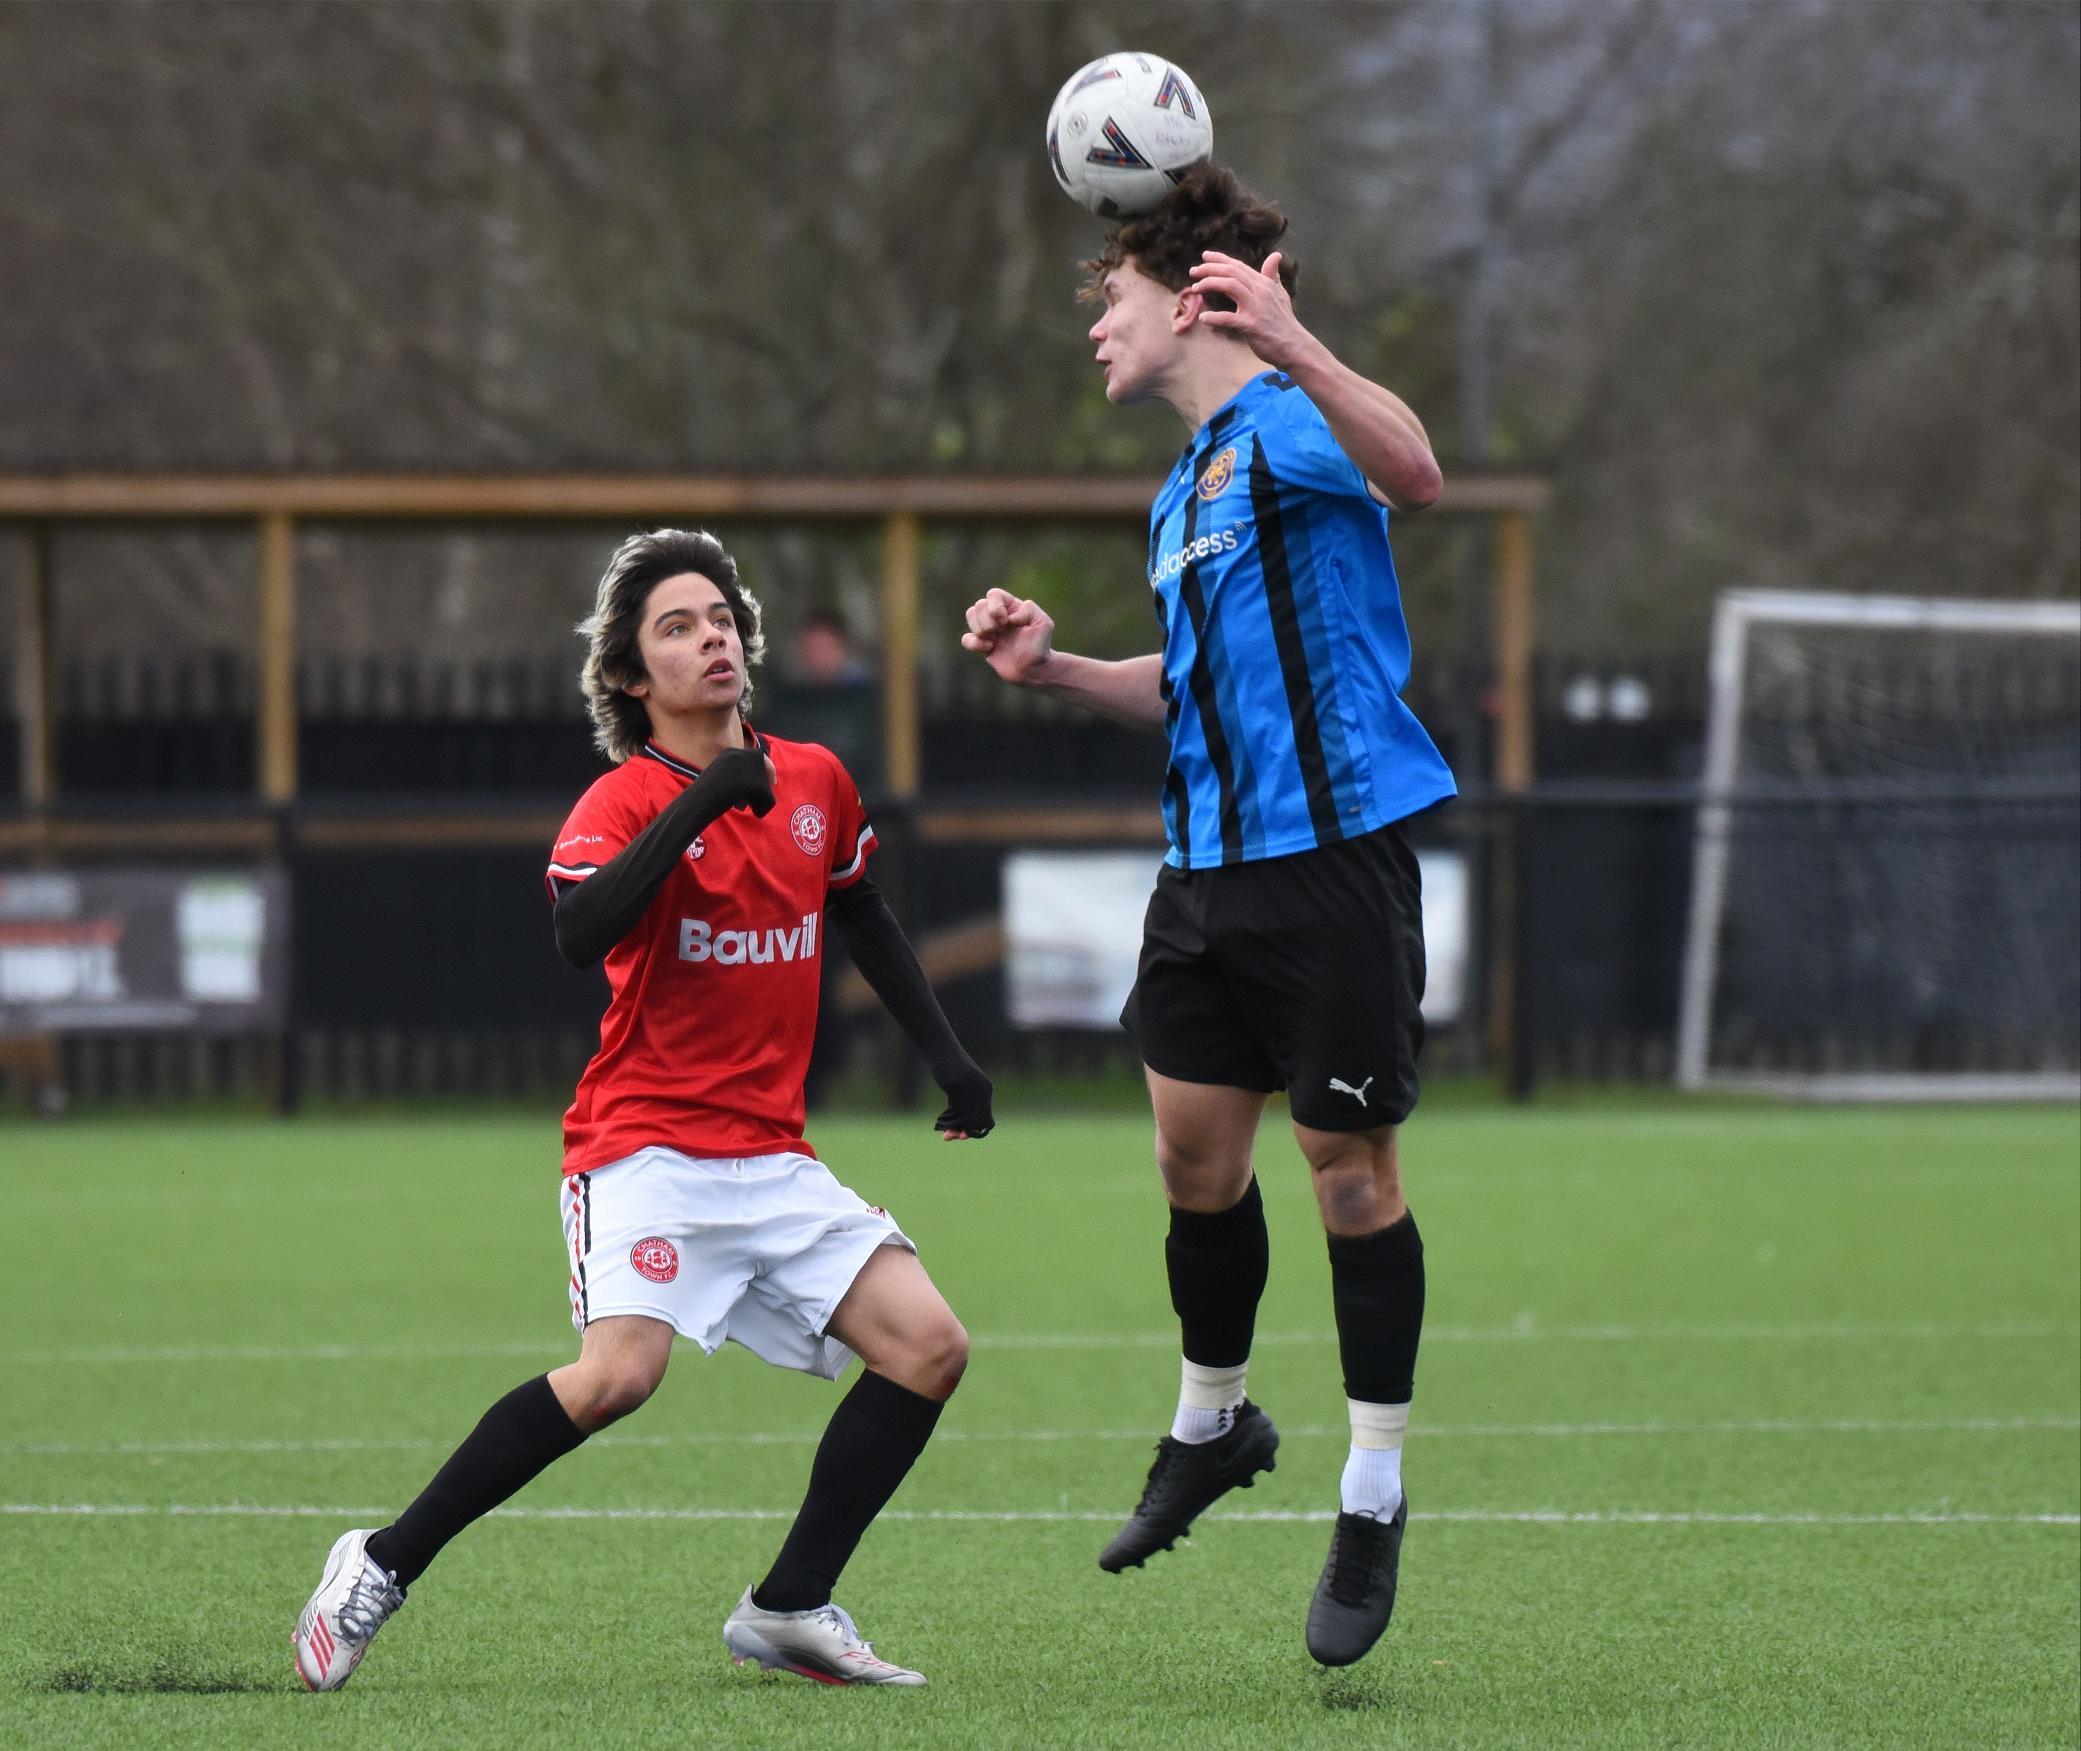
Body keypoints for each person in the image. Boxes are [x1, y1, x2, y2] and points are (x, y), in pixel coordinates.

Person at [294, 527, 994, 1692]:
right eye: (677, 626)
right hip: (643, 1147)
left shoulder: (815, 778)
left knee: (929, 1346)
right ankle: (378, 1561)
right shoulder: (619, 799)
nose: (710, 637)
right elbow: (581, 931)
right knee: (617, 1373)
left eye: (720, 618)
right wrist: (706, 798)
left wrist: (950, 1058)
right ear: (630, 675)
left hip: (769, 1153)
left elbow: (860, 910)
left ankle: (788, 1604)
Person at [961, 164, 1452, 1668]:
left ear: (1187, 303)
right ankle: (1213, 1422)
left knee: (1347, 1179)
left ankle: (1370, 1493)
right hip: (1203, 877)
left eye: (1107, 298)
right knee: (1191, 1158)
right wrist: (1056, 670)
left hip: (1329, 864)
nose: (1093, 328)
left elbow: (1418, 472)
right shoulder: (1182, 487)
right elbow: (1185, 684)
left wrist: (1289, 335)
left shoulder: (1294, 422)